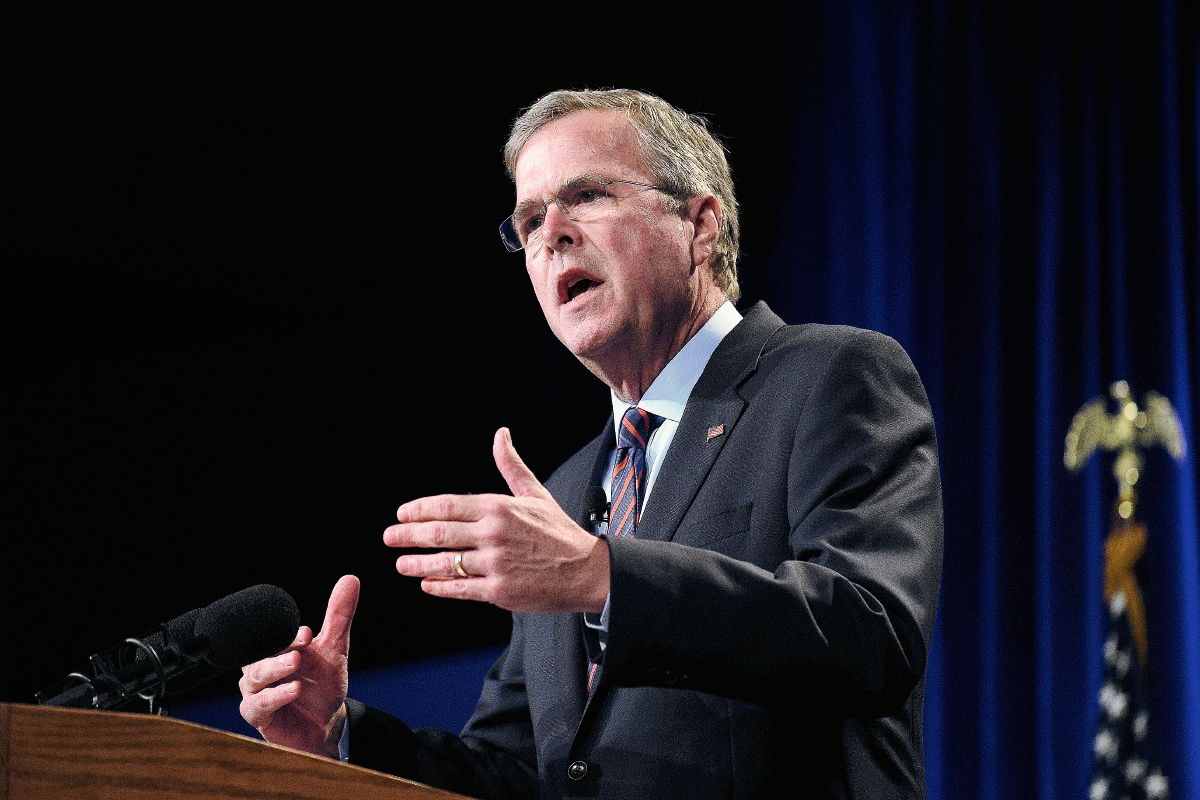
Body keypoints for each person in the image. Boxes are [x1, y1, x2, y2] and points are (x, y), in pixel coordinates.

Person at [239, 89, 943, 800]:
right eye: (530, 220)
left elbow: (869, 633)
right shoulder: (569, 494)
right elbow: (521, 772)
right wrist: (338, 738)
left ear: (700, 226)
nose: (553, 234)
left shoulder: (830, 376)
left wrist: (605, 577)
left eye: (587, 195)